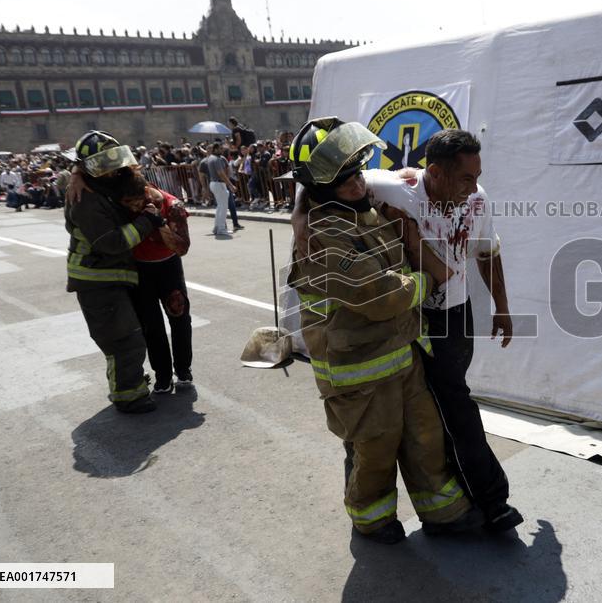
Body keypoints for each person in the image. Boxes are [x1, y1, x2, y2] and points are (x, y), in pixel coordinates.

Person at [293, 129, 522, 532]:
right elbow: (319, 183)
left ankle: (467, 505)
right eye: (465, 178)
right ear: (434, 172)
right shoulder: (372, 201)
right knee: (379, 434)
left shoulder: (474, 201)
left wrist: (502, 308)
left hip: (434, 328)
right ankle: (384, 516)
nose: (474, 188)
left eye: (477, 176)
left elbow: (489, 253)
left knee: (439, 421)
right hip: (383, 340)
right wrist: (299, 218)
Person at [64, 130, 166, 414]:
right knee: (123, 339)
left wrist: (75, 171)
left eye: (113, 161)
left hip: (112, 277)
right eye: (102, 164)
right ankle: (129, 395)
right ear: (88, 166)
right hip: (98, 279)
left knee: (125, 337)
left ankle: (127, 383)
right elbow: (112, 243)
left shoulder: (101, 183)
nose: (111, 170)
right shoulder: (85, 198)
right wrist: (148, 221)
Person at [119, 174, 194, 395]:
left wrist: (158, 223)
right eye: (127, 205)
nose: (132, 208)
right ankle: (162, 374)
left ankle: (183, 369)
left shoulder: (173, 207)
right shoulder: (125, 205)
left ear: (146, 193)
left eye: (135, 203)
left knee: (179, 317)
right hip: (140, 270)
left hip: (168, 267)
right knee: (151, 326)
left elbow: (182, 248)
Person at [199, 142, 236, 236]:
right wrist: (230, 185)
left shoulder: (211, 158)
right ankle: (221, 229)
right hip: (219, 184)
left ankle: (217, 228)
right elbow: (221, 173)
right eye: (220, 149)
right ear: (215, 149)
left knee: (220, 207)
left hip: (215, 183)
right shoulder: (216, 159)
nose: (222, 150)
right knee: (223, 208)